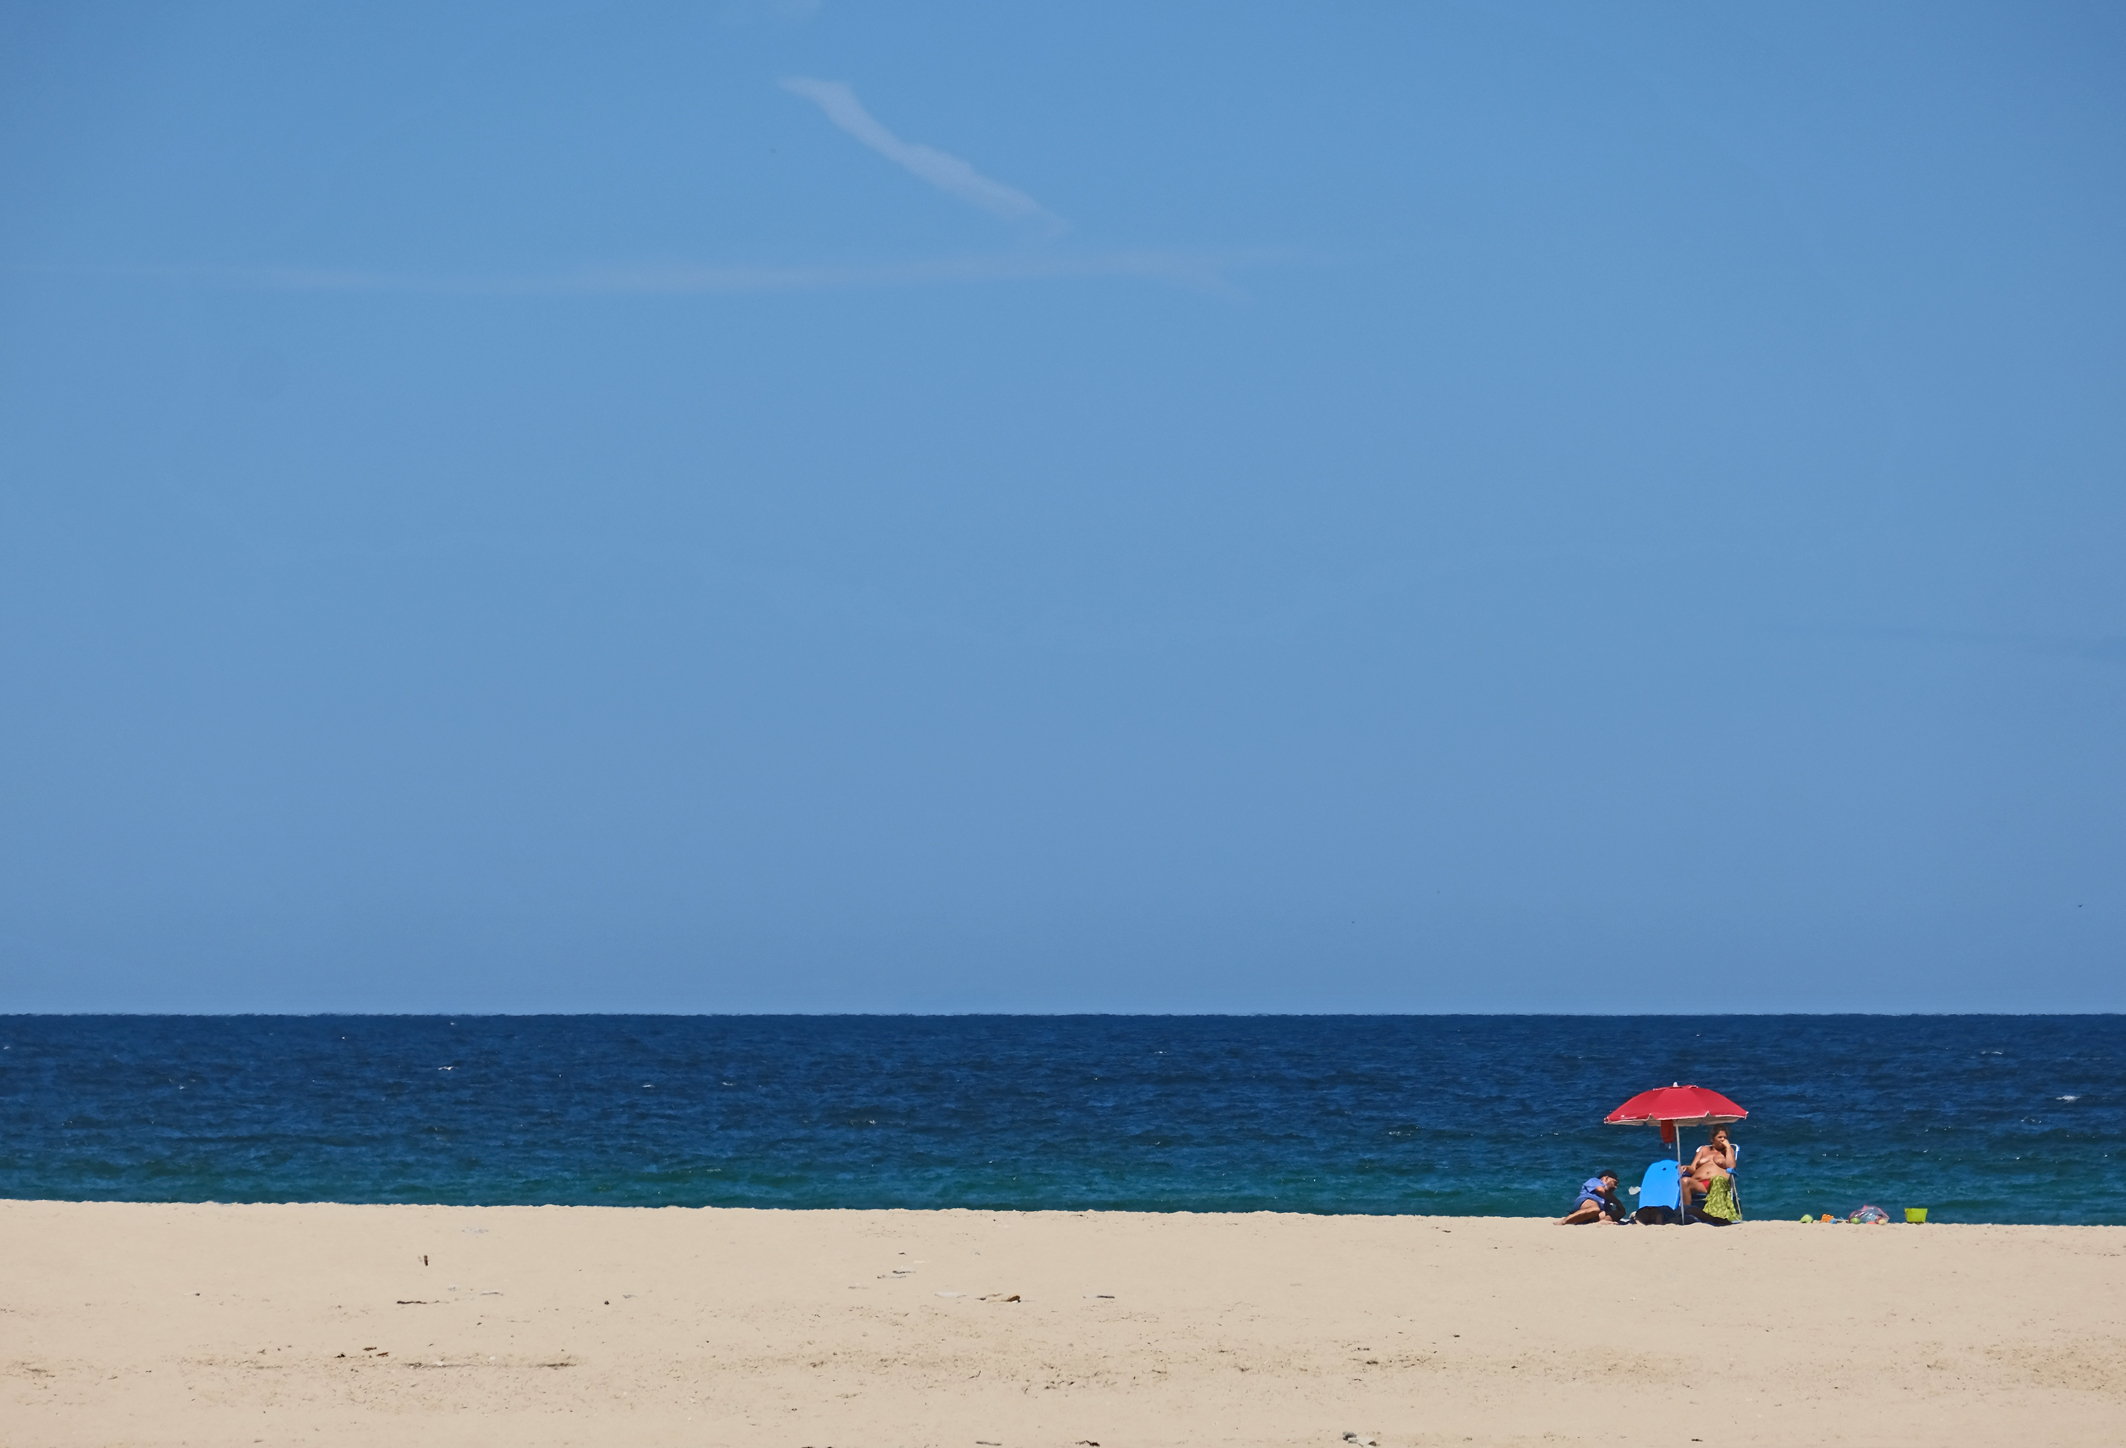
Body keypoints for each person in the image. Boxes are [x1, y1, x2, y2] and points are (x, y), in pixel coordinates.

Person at [1679, 1127, 1742, 1224]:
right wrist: (1686, 1167)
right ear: (1712, 1139)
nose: (1722, 1139)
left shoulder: (1727, 1152)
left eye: (1725, 1137)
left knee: (1717, 1180)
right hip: (1699, 1184)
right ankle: (1687, 1212)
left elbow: (1731, 1166)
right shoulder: (1703, 1149)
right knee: (1685, 1181)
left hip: (1717, 1182)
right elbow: (1693, 1168)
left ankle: (1716, 1215)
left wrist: (1729, 1148)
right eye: (1720, 1137)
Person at [1558, 1170, 1626, 1225]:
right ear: (1606, 1178)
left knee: (1621, 1212)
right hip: (1587, 1200)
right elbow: (1600, 1190)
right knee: (1594, 1209)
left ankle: (1602, 1222)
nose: (1615, 1187)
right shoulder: (1595, 1181)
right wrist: (1617, 1202)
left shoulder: (1609, 1197)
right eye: (1615, 1183)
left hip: (1597, 1213)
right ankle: (1564, 1221)